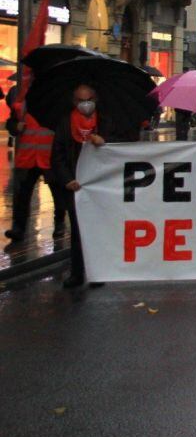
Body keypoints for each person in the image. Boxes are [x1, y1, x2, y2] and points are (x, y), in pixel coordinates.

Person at [50, 84, 122, 288]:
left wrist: (105, 141)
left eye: (89, 99)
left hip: (101, 185)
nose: (85, 104)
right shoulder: (65, 124)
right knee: (78, 231)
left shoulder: (106, 122)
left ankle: (97, 272)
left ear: (96, 99)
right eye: (81, 100)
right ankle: (77, 273)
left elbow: (121, 147)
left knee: (99, 230)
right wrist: (67, 179)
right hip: (77, 186)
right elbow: (58, 154)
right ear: (74, 102)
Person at [5, 100, 66, 242]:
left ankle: (59, 224)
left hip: (49, 158)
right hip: (28, 157)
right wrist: (15, 127)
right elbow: (11, 124)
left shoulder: (58, 105)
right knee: (22, 196)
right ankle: (19, 228)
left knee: (58, 194)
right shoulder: (22, 105)